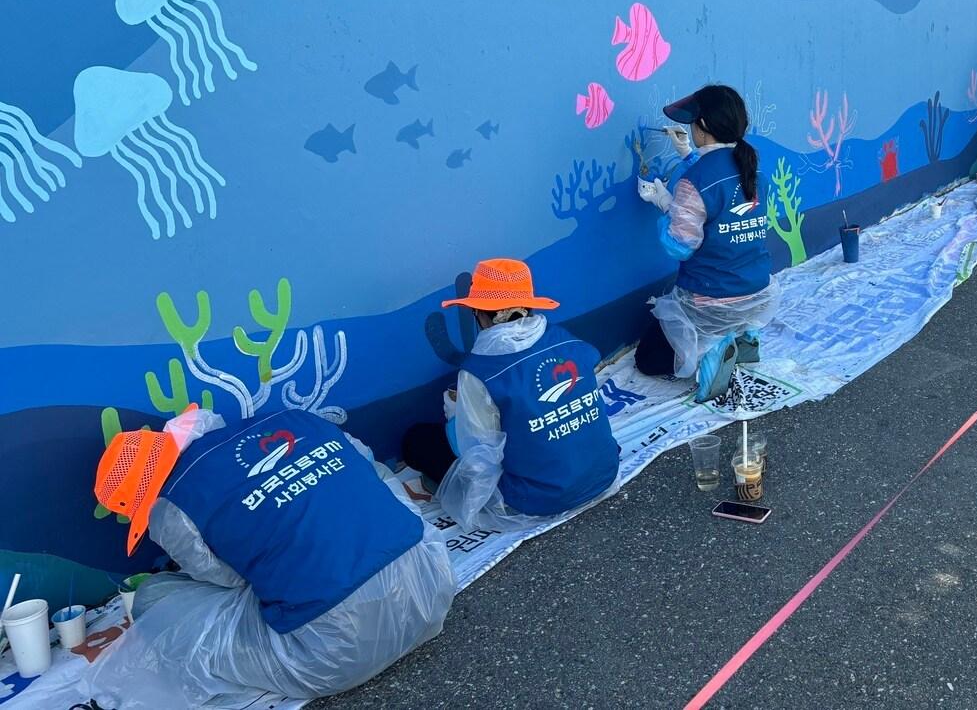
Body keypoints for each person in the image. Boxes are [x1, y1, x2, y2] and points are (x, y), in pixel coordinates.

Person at [85, 406, 454, 708]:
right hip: (432, 587)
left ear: (143, 498)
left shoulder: (170, 507)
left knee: (155, 597)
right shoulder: (295, 418)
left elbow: (230, 581)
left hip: (337, 656)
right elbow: (373, 474)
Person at [403, 258, 622, 532]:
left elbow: (474, 455)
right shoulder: (569, 341)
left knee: (417, 441)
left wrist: (455, 413)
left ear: (478, 314)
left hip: (539, 499)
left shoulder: (477, 373)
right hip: (602, 472)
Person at [636, 84, 778, 402]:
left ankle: (711, 354)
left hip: (711, 300)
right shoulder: (753, 168)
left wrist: (664, 204)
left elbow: (679, 246)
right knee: (730, 317)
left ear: (703, 126)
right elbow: (722, 200)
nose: (688, 128)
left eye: (692, 122)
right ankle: (743, 335)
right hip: (757, 292)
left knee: (646, 358)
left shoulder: (695, 181)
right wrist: (687, 155)